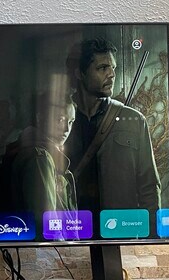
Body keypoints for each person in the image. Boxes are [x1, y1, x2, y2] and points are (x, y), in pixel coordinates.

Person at [64, 38, 160, 229]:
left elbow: (149, 186)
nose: (111, 74)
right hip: (72, 228)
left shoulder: (133, 120)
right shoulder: (60, 119)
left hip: (119, 227)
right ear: (80, 73)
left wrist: (150, 232)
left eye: (113, 68)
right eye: (102, 68)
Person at [10, 91, 77, 216]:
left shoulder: (43, 154)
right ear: (40, 118)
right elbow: (44, 219)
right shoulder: (39, 158)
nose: (67, 129)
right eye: (60, 120)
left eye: (71, 122)